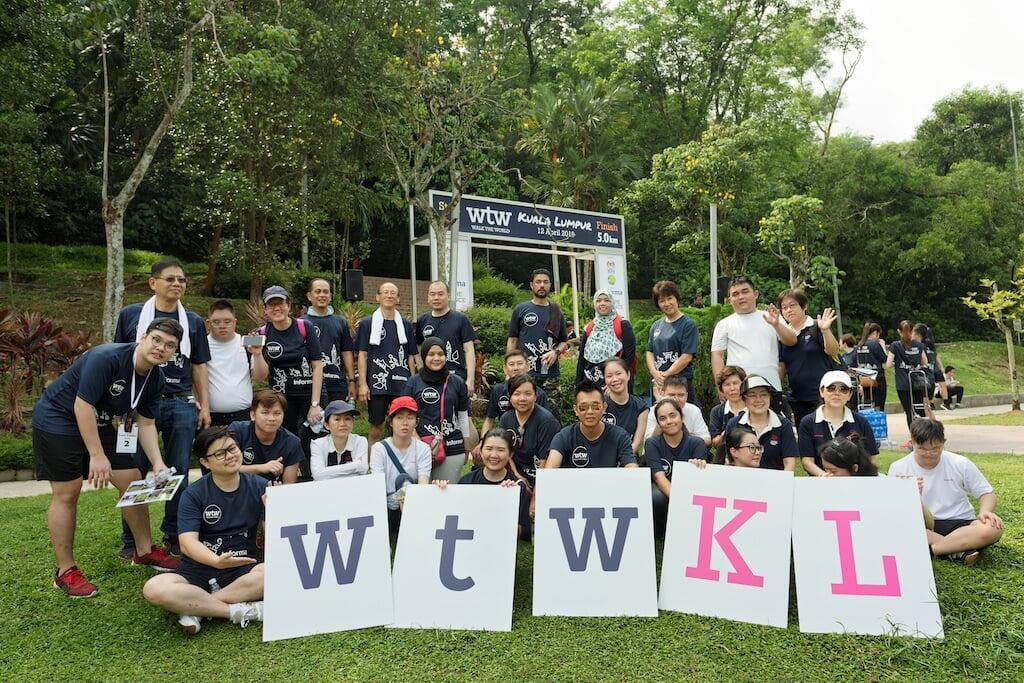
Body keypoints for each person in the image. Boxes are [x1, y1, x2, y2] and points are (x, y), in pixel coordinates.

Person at [33, 319, 184, 597]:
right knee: (68, 490)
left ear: (175, 352)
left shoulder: (156, 378)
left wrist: (158, 462)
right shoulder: (107, 357)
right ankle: (65, 572)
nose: (161, 348)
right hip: (59, 417)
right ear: (143, 337)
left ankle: (144, 551)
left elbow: (146, 423)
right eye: (157, 339)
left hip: (99, 421)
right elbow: (82, 406)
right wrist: (97, 455)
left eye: (170, 345)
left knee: (132, 479)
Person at [113, 258, 212, 557]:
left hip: (180, 402)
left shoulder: (193, 321)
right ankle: (132, 540)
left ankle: (174, 534)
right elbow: (121, 358)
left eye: (182, 280)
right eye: (170, 279)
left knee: (177, 471)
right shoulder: (131, 315)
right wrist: (118, 406)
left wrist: (204, 406)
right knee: (134, 471)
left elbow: (199, 365)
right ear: (152, 282)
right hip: (138, 403)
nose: (177, 284)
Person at [142, 427, 266, 634]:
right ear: (205, 462)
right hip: (197, 569)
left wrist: (273, 512)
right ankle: (236, 611)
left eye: (232, 448)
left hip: (242, 566)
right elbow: (187, 543)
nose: (230, 456)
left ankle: (197, 609)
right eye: (220, 453)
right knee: (154, 589)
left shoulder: (260, 486)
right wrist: (216, 561)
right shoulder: (194, 494)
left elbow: (273, 539)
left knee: (273, 574)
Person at [889, 418, 1004, 565]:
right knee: (900, 530)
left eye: (935, 449)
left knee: (993, 528)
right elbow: (893, 509)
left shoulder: (960, 463)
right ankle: (957, 549)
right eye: (922, 449)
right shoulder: (899, 467)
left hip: (962, 523)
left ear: (944, 442)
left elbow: (987, 493)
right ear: (912, 443)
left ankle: (934, 549)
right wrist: (910, 495)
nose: (928, 453)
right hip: (923, 524)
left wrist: (985, 511)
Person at [248, 285, 323, 478]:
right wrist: (257, 354)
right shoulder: (260, 333)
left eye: (280, 303)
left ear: (288, 305)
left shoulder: (304, 327)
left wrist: (315, 404)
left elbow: (317, 365)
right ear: (265, 309)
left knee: (314, 440)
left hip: (308, 395)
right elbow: (260, 376)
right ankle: (287, 480)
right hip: (281, 399)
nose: (277, 308)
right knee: (286, 441)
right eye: (271, 305)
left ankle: (313, 478)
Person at [436, 429, 531, 540]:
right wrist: (441, 493)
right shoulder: (467, 482)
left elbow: (524, 532)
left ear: (510, 454)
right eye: (489, 449)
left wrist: (507, 501)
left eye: (501, 450)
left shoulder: (516, 487)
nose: (494, 455)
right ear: (481, 451)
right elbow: (451, 516)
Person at [356, 281, 418, 449]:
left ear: (398, 298)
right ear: (378, 297)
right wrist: (362, 384)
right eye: (385, 292)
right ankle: (372, 463)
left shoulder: (405, 325)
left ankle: (401, 460)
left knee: (403, 428)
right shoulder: (367, 323)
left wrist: (414, 382)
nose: (389, 295)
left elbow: (410, 355)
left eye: (393, 293)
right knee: (376, 428)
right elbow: (362, 355)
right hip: (377, 384)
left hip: (402, 383)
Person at [710, 276, 797, 395]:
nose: (741, 297)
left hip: (770, 386)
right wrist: (720, 387)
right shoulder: (723, 324)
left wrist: (777, 325)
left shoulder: (771, 317)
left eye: (745, 292)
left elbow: (792, 341)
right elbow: (717, 356)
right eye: (735, 294)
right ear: (729, 300)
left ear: (755, 294)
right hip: (738, 389)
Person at [401, 336, 472, 482]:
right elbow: (404, 416)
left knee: (446, 492)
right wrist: (419, 444)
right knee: (420, 492)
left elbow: (462, 415)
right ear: (424, 357)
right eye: (431, 354)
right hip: (419, 447)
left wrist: (466, 444)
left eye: (440, 354)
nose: (436, 358)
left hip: (452, 446)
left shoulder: (457, 382)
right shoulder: (413, 382)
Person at [507, 268, 568, 418]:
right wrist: (509, 369)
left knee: (552, 415)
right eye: (538, 282)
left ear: (550, 285)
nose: (542, 285)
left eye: (545, 282)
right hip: (524, 373)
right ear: (531, 285)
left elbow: (564, 342)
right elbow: (512, 339)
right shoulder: (521, 309)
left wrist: (555, 352)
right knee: (522, 413)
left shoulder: (556, 312)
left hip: (550, 375)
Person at [645, 398, 710, 537]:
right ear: (658, 423)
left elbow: (699, 480)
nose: (669, 421)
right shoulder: (652, 444)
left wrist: (698, 466)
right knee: (656, 496)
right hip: (663, 489)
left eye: (673, 415)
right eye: (662, 418)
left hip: (690, 488)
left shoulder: (697, 443)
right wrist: (680, 498)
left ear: (681, 417)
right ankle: (662, 532)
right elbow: (659, 477)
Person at [369, 396, 432, 535]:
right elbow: (377, 486)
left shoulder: (423, 449)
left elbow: (423, 484)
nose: (405, 423)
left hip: (412, 502)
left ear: (416, 422)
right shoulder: (379, 449)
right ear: (390, 422)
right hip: (386, 506)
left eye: (410, 418)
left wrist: (410, 501)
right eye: (399, 418)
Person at [776, 288, 840, 426]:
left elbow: (833, 350)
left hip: (822, 395)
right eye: (784, 307)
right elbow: (782, 365)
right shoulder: (782, 335)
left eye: (792, 305)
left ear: (804, 306)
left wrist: (825, 330)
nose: (788, 310)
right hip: (797, 398)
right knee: (804, 434)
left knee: (825, 433)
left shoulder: (816, 327)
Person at [797, 371, 879, 477]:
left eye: (843, 389)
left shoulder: (861, 422)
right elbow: (807, 460)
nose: (837, 393)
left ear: (850, 395)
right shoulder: (808, 422)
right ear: (821, 392)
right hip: (820, 482)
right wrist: (825, 476)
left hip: (855, 482)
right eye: (831, 388)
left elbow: (872, 458)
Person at [544, 381, 639, 470]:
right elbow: (550, 470)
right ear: (575, 410)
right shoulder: (564, 437)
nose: (590, 412)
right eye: (583, 408)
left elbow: (632, 467)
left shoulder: (619, 436)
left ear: (604, 408)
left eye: (595, 407)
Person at [416, 280, 478, 395]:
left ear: (448, 296)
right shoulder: (422, 320)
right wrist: (421, 371)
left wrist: (470, 380)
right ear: (428, 297)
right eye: (432, 294)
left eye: (440, 294)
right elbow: (418, 348)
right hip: (429, 380)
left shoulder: (460, 319)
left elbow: (469, 350)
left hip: (455, 377)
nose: (436, 298)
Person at [498, 374, 561, 488]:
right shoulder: (506, 418)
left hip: (542, 476)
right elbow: (506, 452)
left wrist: (537, 490)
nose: (522, 398)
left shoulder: (546, 421)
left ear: (535, 396)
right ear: (509, 396)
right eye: (517, 394)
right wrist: (517, 476)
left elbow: (545, 461)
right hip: (515, 475)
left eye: (528, 394)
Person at [723, 375, 797, 471]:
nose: (758, 400)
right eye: (752, 395)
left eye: (763, 395)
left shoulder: (783, 424)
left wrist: (783, 480)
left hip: (775, 479)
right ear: (744, 399)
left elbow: (789, 463)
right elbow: (728, 460)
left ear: (770, 397)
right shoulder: (734, 424)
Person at [228, 390, 301, 484]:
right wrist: (262, 468)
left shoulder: (292, 442)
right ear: (253, 415)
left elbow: (289, 484)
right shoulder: (237, 430)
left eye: (277, 413)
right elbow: (224, 469)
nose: (271, 418)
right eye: (265, 413)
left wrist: (278, 490)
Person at [478, 350, 550, 444]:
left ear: (528, 366)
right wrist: (482, 442)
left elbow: (545, 423)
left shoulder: (539, 394)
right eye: (511, 364)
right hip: (506, 439)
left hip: (532, 441)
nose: (516, 368)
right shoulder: (498, 390)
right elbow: (489, 419)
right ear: (505, 369)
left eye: (519, 364)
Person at [303, 278, 356, 404]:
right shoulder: (301, 322)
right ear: (309, 296)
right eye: (318, 291)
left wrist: (352, 381)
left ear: (330, 296)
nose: (322, 295)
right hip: (309, 385)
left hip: (337, 384)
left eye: (326, 292)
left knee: (337, 416)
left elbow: (346, 352)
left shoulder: (341, 322)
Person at [645, 280, 699, 400]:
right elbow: (649, 352)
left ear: (677, 299)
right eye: (662, 301)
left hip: (679, 384)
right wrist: (654, 373)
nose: (667, 303)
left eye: (670, 298)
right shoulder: (656, 326)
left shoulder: (688, 325)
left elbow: (687, 356)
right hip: (659, 384)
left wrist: (666, 375)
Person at [206, 300, 254, 427]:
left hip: (242, 415)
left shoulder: (246, 343)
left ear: (235, 322)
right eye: (216, 322)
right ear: (208, 323)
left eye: (227, 321)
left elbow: (261, 375)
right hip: (209, 416)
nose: (222, 326)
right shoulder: (200, 345)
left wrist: (258, 354)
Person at [576, 290, 637, 391]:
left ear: (612, 303)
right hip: (591, 384)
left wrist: (614, 382)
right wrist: (578, 386)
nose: (602, 303)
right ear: (594, 304)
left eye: (606, 300)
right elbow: (582, 360)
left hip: (616, 384)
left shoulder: (623, 325)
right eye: (599, 301)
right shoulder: (589, 328)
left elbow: (629, 358)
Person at [644, 375, 712, 447]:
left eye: (681, 395)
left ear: (686, 395)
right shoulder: (652, 411)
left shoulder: (694, 410)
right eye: (671, 395)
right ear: (662, 394)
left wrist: (683, 440)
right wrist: (661, 415)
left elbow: (707, 439)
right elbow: (648, 442)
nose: (676, 399)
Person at [886, 320, 930, 428]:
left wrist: (897, 363)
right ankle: (923, 432)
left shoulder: (895, 345)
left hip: (903, 383)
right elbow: (925, 362)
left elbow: (888, 364)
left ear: (898, 331)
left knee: (909, 410)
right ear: (912, 330)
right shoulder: (919, 345)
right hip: (917, 382)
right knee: (919, 408)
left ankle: (913, 433)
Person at [310, 399, 369, 479]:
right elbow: (318, 475)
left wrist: (326, 472)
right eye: (337, 419)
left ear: (353, 422)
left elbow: (363, 469)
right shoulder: (318, 444)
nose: (342, 424)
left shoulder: (360, 441)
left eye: (347, 419)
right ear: (327, 425)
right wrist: (356, 466)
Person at [601, 358, 649, 454]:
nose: (615, 379)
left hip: (628, 458)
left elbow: (636, 444)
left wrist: (623, 459)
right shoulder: (600, 404)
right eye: (609, 376)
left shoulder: (641, 407)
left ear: (628, 375)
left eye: (618, 374)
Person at [708, 366, 747, 449]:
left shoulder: (753, 409)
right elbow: (715, 443)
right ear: (721, 389)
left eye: (735, 383)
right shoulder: (717, 411)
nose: (732, 388)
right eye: (727, 384)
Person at [913, 323, 948, 410]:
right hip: (928, 370)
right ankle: (930, 404)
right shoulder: (921, 345)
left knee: (934, 386)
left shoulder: (929, 346)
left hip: (932, 369)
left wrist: (940, 366)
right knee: (927, 388)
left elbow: (935, 356)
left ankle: (942, 403)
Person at [856, 322, 888, 411]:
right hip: (877, 377)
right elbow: (884, 359)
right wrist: (882, 346)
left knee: (868, 401)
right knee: (879, 403)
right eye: (878, 335)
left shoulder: (860, 345)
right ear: (874, 333)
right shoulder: (874, 344)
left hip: (864, 378)